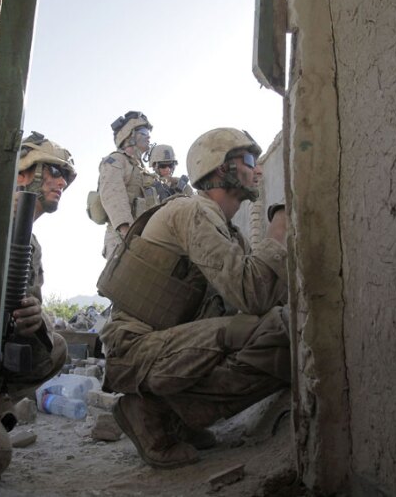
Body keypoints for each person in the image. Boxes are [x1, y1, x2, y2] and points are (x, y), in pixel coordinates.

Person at [98, 127, 290, 469]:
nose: (258, 170)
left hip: (170, 346)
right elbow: (254, 294)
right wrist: (279, 231)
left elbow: (252, 302)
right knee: (280, 332)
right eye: (248, 160)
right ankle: (151, 412)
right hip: (138, 352)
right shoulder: (192, 212)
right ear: (220, 169)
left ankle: (179, 419)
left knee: (277, 331)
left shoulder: (229, 233)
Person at [0, 132, 77, 480]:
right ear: (23, 173)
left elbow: (29, 308)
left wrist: (36, 318)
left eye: (66, 177)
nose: (61, 182)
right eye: (55, 171)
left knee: (54, 346)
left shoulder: (32, 244)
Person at [97, 110, 159, 259]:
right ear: (129, 135)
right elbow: (113, 195)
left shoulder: (141, 169)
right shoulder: (116, 161)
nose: (148, 136)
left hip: (144, 236)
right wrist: (128, 233)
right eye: (143, 132)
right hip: (123, 238)